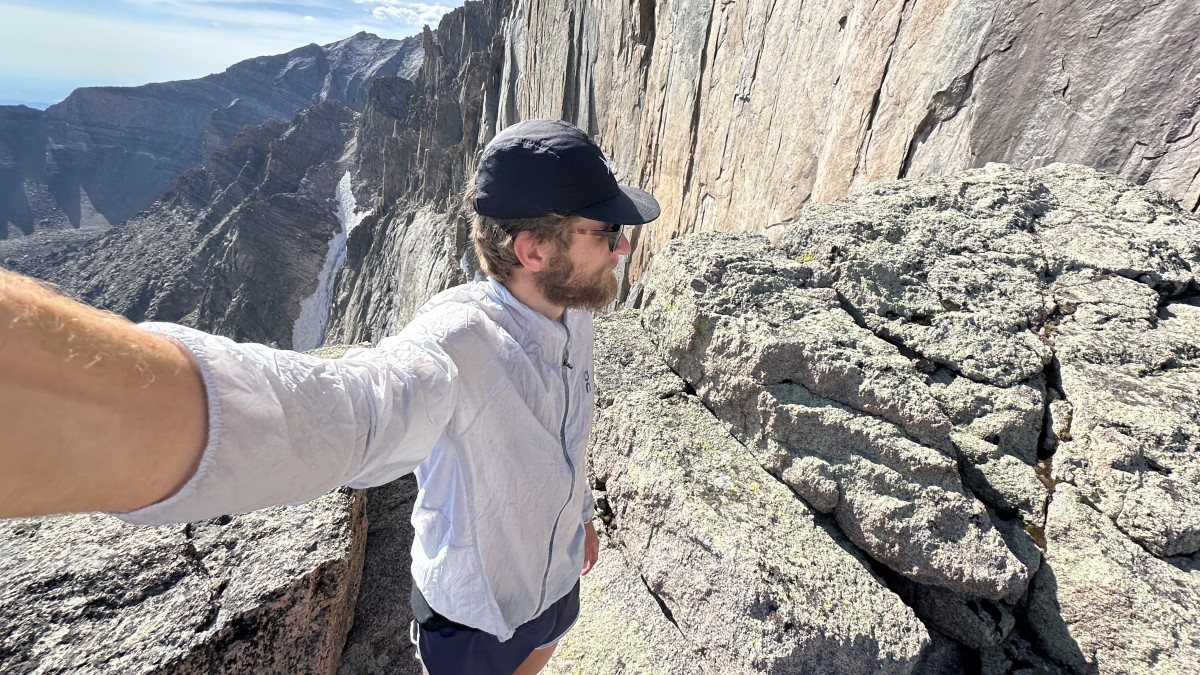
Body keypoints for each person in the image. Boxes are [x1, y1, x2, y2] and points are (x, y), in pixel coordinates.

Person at [0, 119, 660, 675]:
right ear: (532, 250)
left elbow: (565, 432)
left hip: (553, 585)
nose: (622, 245)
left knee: (544, 649)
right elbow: (352, 408)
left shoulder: (573, 309)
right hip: (477, 620)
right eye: (604, 231)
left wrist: (576, 519)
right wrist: (91, 404)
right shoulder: (460, 343)